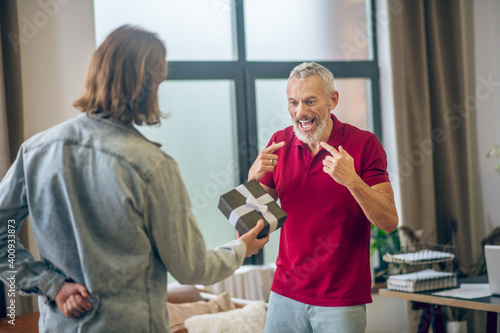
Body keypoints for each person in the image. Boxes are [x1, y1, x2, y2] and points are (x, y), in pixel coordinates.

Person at [0, 25, 268, 332]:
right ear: (146, 86)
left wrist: (53, 285)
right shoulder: (152, 167)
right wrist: (241, 249)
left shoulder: (36, 150)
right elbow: (192, 267)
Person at [248, 62, 398, 333]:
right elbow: (255, 230)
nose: (300, 112)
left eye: (310, 101)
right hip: (285, 295)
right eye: (293, 103)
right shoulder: (279, 143)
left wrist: (352, 181)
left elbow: (389, 221)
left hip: (340, 301)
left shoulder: (365, 144)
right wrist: (251, 179)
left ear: (333, 100)